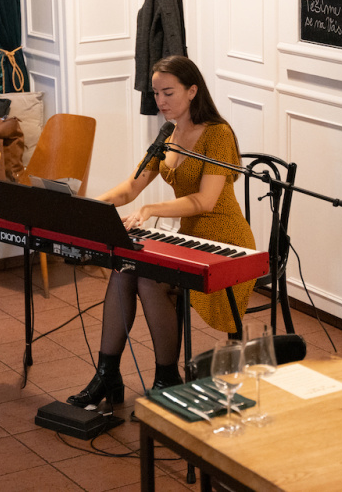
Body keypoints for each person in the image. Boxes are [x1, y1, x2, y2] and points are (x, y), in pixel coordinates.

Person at [67, 55, 258, 409]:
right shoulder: (168, 134)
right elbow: (131, 187)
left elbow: (205, 201)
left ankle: (166, 377)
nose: (160, 101)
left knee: (149, 279)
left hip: (225, 239)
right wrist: (87, 206)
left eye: (168, 92)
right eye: (156, 93)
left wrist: (151, 209)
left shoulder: (218, 134)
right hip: (189, 237)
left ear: (192, 91)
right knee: (125, 269)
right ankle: (107, 374)